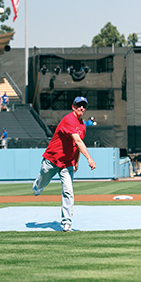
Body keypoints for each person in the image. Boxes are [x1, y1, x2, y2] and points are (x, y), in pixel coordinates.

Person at [32, 96, 96, 232]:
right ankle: (38, 185)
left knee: (68, 191)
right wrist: (89, 159)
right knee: (40, 185)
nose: (82, 108)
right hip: (52, 159)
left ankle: (67, 222)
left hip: (67, 163)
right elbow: (78, 141)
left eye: (84, 106)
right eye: (79, 105)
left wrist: (76, 162)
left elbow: (77, 146)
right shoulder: (68, 119)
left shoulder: (83, 126)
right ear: (73, 107)